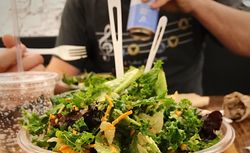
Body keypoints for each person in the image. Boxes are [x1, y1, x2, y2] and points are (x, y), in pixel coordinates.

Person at [44, 0, 250, 95]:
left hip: (186, 113)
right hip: (111, 118)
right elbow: (60, 74)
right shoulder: (84, 4)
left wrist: (195, 4)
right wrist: (34, 81)